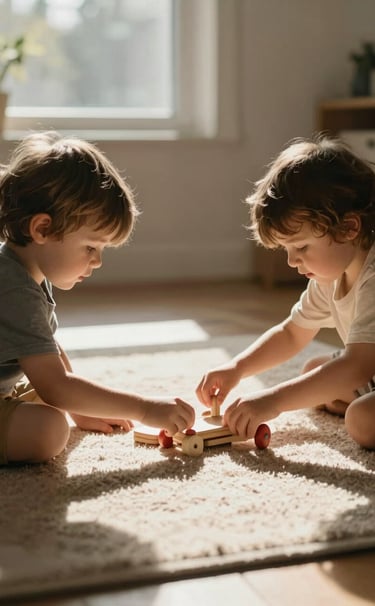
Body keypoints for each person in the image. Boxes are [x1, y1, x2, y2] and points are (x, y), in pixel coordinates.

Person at [0, 130, 195, 465]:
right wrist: (144, 408)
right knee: (48, 431)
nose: (97, 261)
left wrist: (77, 409)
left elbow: (47, 350)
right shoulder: (13, 287)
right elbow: (56, 385)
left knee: (56, 401)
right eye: (90, 247)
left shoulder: (25, 271)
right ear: (42, 229)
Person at [196, 135, 375, 449]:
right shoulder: (329, 277)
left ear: (349, 228)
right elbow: (292, 334)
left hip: (367, 364)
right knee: (314, 372)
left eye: (302, 247)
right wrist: (237, 368)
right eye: (286, 250)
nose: (292, 261)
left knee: (361, 419)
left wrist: (273, 400)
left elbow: (358, 364)